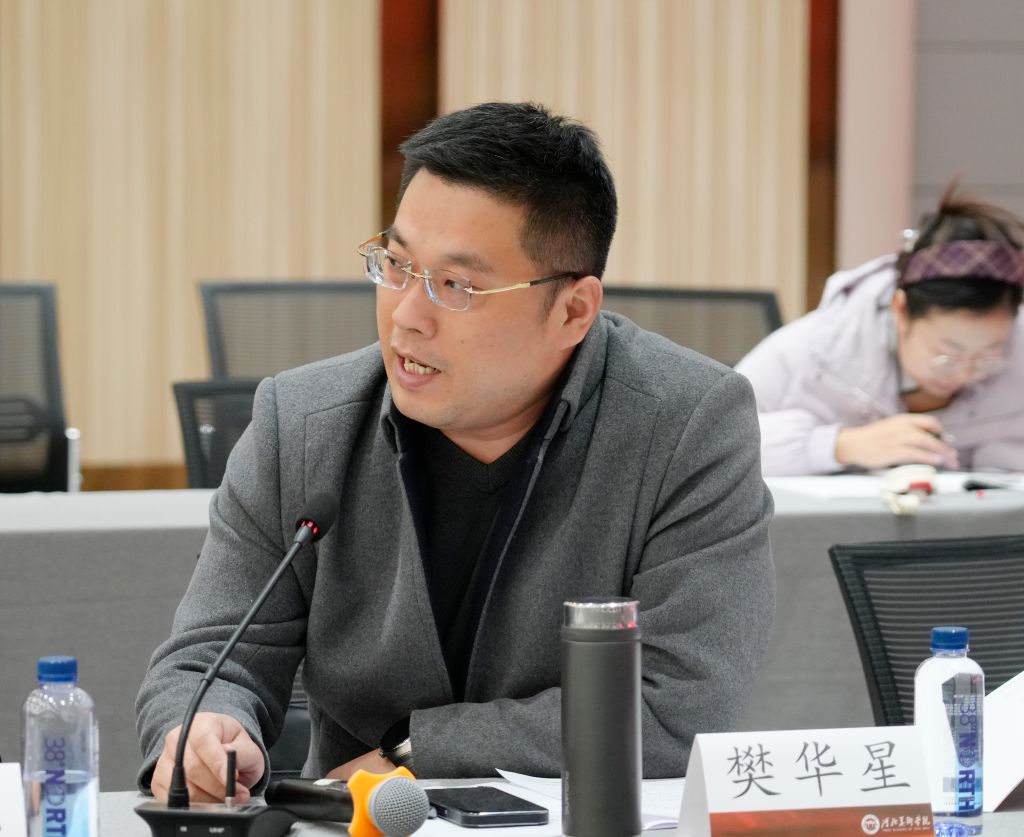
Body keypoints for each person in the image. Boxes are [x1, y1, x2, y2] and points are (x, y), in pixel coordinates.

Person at [136, 101, 774, 803]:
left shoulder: (688, 425)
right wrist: (205, 728)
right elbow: (209, 657)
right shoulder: (303, 423)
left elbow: (676, 707)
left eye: (457, 286)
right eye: (397, 265)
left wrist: (413, 751)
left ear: (572, 311)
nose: (407, 315)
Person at [737, 185, 1024, 476]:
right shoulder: (816, 349)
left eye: (988, 356)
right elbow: (722, 438)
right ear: (900, 309)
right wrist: (839, 445)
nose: (964, 373)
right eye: (947, 355)